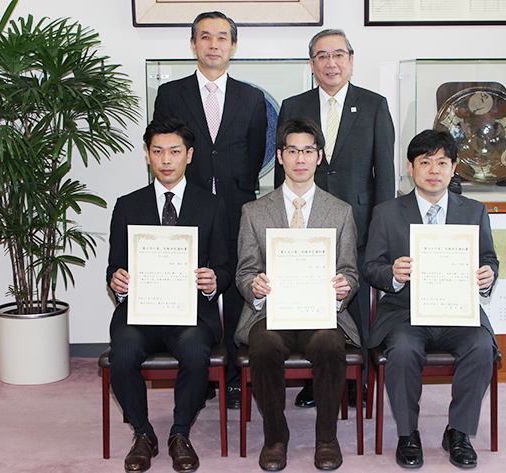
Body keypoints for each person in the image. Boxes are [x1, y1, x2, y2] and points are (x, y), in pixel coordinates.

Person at [364, 129, 499, 469]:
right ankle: (408, 434)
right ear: (411, 168)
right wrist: (392, 273)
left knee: (482, 347)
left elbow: (489, 257)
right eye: (425, 162)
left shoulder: (474, 211)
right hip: (405, 313)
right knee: (404, 349)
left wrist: (488, 275)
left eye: (442, 162)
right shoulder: (387, 212)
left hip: (458, 313)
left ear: (454, 168)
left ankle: (458, 432)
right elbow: (370, 267)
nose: (434, 169)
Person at [274, 29, 395, 407]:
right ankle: (316, 378)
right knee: (307, 298)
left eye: (338, 54)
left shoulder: (374, 104)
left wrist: (380, 229)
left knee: (352, 301)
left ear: (351, 60)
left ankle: (354, 380)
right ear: (311, 64)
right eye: (322, 56)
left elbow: (385, 175)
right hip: (304, 223)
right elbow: (287, 167)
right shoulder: (293, 104)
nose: (331, 63)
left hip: (356, 222)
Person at [154, 11, 268, 409]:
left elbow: (256, 155)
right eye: (205, 37)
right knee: (190, 282)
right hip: (188, 205)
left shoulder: (252, 97)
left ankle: (236, 377)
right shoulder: (171, 93)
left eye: (222, 38)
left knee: (235, 284)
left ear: (233, 46)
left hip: (237, 205)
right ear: (193, 44)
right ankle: (197, 372)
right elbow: (166, 147)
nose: (214, 45)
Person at [107, 115, 232, 473]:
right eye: (157, 151)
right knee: (124, 351)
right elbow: (114, 266)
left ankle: (180, 433)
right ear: (146, 155)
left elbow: (225, 266)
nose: (166, 160)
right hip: (141, 312)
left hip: (192, 313)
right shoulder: (127, 205)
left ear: (189, 156)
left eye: (174, 151)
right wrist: (117, 280)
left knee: (195, 349)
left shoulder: (211, 205)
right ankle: (143, 434)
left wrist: (213, 281)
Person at [234, 117, 360, 471]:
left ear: (319, 157)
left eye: (308, 150)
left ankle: (326, 438)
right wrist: (254, 287)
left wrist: (343, 288)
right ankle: (275, 438)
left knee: (329, 345)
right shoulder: (254, 212)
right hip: (270, 312)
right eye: (292, 150)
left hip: (322, 312)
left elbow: (350, 270)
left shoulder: (340, 211)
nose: (300, 158)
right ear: (280, 156)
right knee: (264, 346)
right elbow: (245, 269)